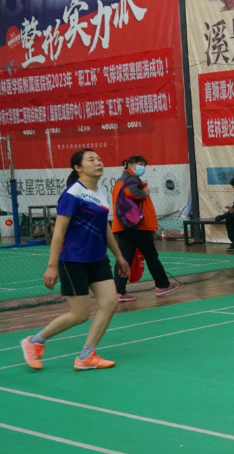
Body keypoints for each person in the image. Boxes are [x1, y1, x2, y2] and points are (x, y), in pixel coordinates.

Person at [20, 148, 127, 372]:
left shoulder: (101, 192)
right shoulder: (72, 194)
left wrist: (118, 255)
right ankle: (34, 342)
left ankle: (86, 356)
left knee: (110, 303)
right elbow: (58, 232)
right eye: (91, 160)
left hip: (98, 258)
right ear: (78, 168)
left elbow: (105, 227)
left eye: (99, 159)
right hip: (73, 259)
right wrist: (52, 266)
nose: (98, 162)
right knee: (79, 315)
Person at [112, 155, 179, 302]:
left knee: (124, 259)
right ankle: (162, 285)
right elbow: (130, 192)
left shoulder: (121, 180)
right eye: (139, 164)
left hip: (123, 226)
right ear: (130, 165)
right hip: (137, 226)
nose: (142, 167)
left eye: (143, 165)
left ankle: (118, 291)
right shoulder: (131, 179)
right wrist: (144, 192)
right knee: (151, 256)